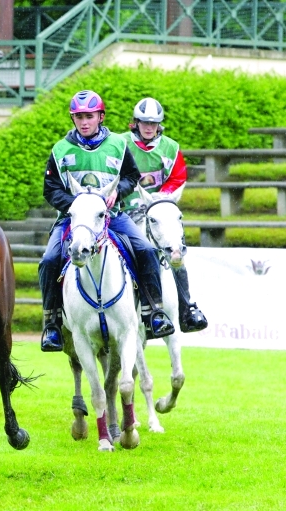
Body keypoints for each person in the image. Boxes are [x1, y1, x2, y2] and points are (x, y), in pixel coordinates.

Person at [38, 90, 175, 351]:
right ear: (73, 118)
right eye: (79, 117)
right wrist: (77, 206)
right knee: (49, 260)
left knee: (146, 250)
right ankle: (52, 324)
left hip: (113, 217)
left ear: (101, 117)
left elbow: (131, 176)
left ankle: (153, 313)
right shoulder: (60, 149)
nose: (84, 122)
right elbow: (50, 188)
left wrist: (117, 192)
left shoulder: (118, 145)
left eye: (89, 116)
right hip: (72, 221)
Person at [120, 97, 208, 334]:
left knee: (176, 254)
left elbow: (178, 177)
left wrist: (161, 197)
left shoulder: (171, 148)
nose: (149, 127)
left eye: (154, 123)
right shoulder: (120, 144)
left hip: (158, 210)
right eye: (144, 122)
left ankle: (187, 309)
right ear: (136, 122)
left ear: (159, 124)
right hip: (126, 212)